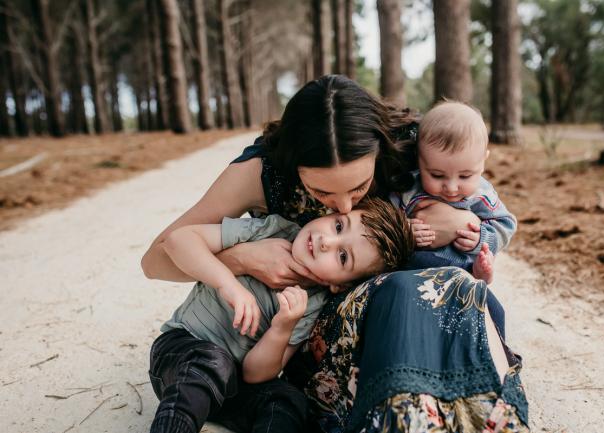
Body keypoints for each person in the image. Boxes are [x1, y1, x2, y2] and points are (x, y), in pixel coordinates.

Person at [142, 75, 526, 433]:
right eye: (322, 193)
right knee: (404, 293)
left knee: (446, 287)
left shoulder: (410, 144)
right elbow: (155, 260)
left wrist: (459, 221)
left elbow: (471, 182)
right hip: (315, 330)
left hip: (394, 298)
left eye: (359, 187)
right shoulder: (259, 173)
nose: (342, 207)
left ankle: (477, 409)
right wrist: (241, 259)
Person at [148, 197, 414, 433]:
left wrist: (282, 327)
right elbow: (178, 240)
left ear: (340, 286)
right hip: (181, 353)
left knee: (289, 400)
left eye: (342, 256)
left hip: (231, 386)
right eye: (338, 226)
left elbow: (255, 375)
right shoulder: (272, 229)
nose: (326, 242)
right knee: (211, 361)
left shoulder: (310, 306)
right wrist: (226, 283)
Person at [393, 101, 517, 284]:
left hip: (461, 269)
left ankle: (479, 275)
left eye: (465, 176)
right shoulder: (410, 188)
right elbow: (389, 217)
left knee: (479, 264)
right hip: (414, 269)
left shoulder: (482, 194)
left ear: (483, 162)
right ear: (419, 161)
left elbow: (506, 225)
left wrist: (481, 240)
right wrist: (405, 230)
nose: (451, 188)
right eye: (437, 175)